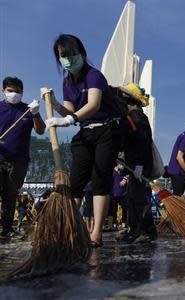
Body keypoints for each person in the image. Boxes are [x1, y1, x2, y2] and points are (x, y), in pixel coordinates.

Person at [44, 34, 122, 247]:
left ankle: (96, 233)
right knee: (76, 182)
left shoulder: (94, 75)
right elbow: (69, 110)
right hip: (86, 133)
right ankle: (67, 228)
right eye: (63, 56)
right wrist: (56, 104)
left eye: (72, 54)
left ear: (81, 54)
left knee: (100, 181)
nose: (68, 59)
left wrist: (70, 119)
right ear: (59, 59)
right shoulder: (67, 82)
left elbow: (93, 104)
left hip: (107, 130)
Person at [0, 76, 45, 239]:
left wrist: (35, 114)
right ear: (3, 91)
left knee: (10, 196)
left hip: (19, 161)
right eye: (10, 91)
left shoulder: (27, 110)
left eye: (17, 92)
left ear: (22, 92)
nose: (14, 94)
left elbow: (40, 130)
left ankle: (6, 229)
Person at [118, 83, 157, 243]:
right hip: (135, 166)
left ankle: (141, 231)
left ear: (128, 100)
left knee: (137, 198)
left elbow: (141, 142)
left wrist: (139, 165)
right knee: (134, 197)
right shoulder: (132, 116)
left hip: (140, 166)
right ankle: (141, 230)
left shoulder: (137, 117)